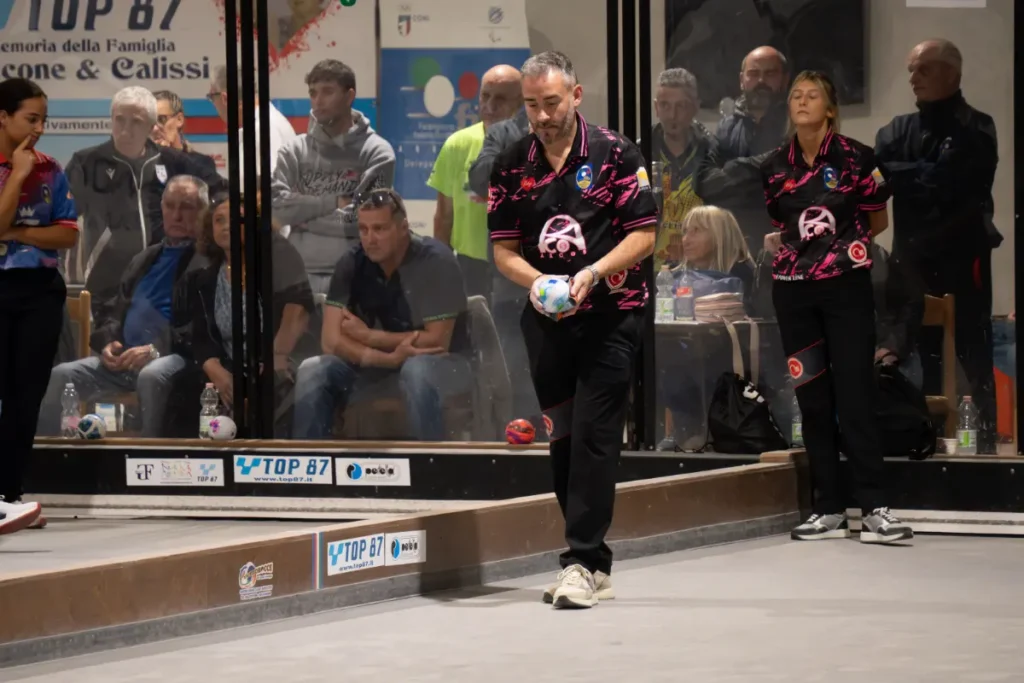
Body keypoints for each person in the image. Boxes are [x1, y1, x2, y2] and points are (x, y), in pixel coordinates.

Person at [488, 51, 658, 608]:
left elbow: (643, 236)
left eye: (552, 103)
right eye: (531, 105)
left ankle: (580, 561)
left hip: (612, 313)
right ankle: (593, 563)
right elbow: (504, 250)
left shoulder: (616, 153)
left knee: (592, 435)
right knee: (562, 439)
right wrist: (538, 282)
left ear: (576, 96)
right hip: (546, 320)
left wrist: (592, 272)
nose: (542, 115)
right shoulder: (510, 163)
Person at [760, 70, 912, 544]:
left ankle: (874, 507)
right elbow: (780, 223)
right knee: (812, 397)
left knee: (855, 393)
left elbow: (877, 220)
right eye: (796, 96)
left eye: (813, 96)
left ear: (829, 109)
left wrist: (838, 251)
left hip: (846, 287)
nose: (802, 102)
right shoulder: (774, 165)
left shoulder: (857, 157)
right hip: (793, 290)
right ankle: (826, 508)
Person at [874, 39, 999, 453]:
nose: (913, 78)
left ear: (952, 73)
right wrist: (927, 173)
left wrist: (911, 174)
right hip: (911, 260)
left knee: (974, 353)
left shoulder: (978, 126)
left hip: (964, 260)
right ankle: (923, 441)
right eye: (911, 70)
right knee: (919, 354)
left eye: (924, 69)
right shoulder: (896, 129)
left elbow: (956, 183)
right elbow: (878, 176)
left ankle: (985, 445)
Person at [292, 189, 472, 441]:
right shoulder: (352, 262)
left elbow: (436, 341)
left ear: (403, 227)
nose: (370, 239)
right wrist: (388, 359)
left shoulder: (435, 261)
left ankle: (430, 463)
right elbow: (331, 341)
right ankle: (312, 463)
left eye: (379, 229)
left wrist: (369, 336)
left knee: (417, 369)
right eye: (363, 229)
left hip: (446, 365)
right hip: (374, 368)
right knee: (312, 370)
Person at [41, 176, 210, 439]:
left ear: (203, 211)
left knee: (152, 376)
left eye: (186, 207)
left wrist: (155, 350)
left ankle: (150, 455)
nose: (176, 215)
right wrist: (109, 342)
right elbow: (115, 311)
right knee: (61, 376)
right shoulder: (145, 258)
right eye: (170, 205)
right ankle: (47, 454)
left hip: (177, 358)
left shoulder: (207, 262)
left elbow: (201, 326)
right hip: (124, 362)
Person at [65, 86, 224, 323]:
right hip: (106, 287)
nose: (126, 129)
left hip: (163, 284)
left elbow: (222, 195)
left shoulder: (173, 162)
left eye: (136, 122)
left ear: (151, 126)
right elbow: (62, 220)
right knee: (108, 342)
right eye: (120, 119)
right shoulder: (86, 162)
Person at [0, 78, 79, 535]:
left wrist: (17, 233)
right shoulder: (23, 166)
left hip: (40, 291)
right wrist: (17, 174)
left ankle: (9, 496)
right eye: (31, 118)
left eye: (44, 120)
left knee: (25, 395)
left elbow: (67, 234)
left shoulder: (51, 169)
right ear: (3, 117)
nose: (39, 129)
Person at [185, 192, 314, 436]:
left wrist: (275, 356)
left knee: (272, 390)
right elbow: (200, 335)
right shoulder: (205, 277)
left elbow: (297, 311)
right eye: (219, 220)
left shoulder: (279, 255)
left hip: (278, 360)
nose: (227, 226)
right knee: (194, 389)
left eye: (237, 219)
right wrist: (215, 369)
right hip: (231, 367)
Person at [272, 59, 396, 296]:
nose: (318, 101)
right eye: (313, 93)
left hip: (355, 276)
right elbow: (275, 208)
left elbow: (363, 220)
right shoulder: (294, 151)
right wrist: (332, 203)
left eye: (327, 92)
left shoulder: (377, 152)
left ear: (349, 96)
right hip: (297, 276)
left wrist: (301, 218)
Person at [658, 206, 755, 451]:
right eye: (685, 232)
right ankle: (686, 431)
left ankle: (704, 434)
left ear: (720, 235)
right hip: (687, 357)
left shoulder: (743, 274)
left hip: (731, 361)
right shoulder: (674, 275)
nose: (686, 239)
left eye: (696, 231)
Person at [428, 64, 522, 300]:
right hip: (469, 267)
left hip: (516, 265)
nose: (489, 106)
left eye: (500, 98)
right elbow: (444, 217)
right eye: (485, 96)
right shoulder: (457, 144)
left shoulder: (531, 144)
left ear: (521, 102)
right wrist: (440, 270)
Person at [700, 46, 791, 260]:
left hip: (785, 245)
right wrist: (759, 176)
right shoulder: (726, 127)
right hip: (735, 248)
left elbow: (788, 166)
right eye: (754, 73)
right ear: (742, 80)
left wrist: (734, 168)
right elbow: (707, 183)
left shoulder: (794, 123)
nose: (761, 81)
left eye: (770, 74)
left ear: (785, 79)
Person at [649, 68, 718, 270]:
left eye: (681, 106)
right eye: (665, 105)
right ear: (656, 107)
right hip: (650, 267)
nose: (673, 115)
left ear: (695, 107)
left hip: (702, 268)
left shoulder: (712, 152)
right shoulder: (639, 152)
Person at [208, 64, 298, 188]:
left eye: (211, 97)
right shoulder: (261, 123)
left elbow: (270, 190)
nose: (213, 104)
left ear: (225, 98)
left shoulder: (262, 128)